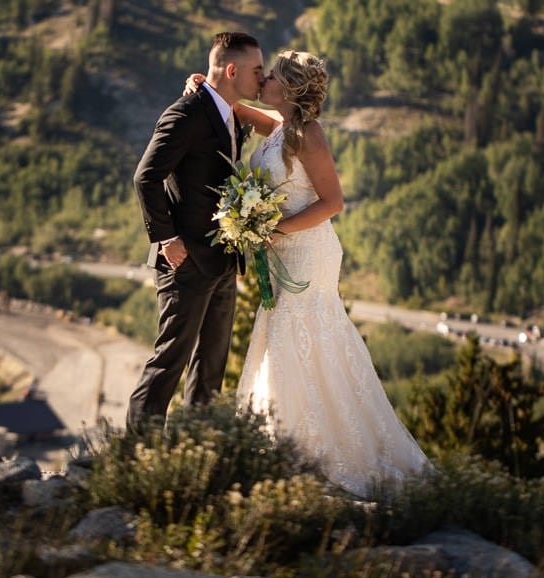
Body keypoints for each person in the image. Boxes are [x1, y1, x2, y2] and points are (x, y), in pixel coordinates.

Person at [187, 49, 430, 497]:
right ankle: (285, 441)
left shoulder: (308, 134)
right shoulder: (280, 128)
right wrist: (205, 85)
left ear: (291, 87)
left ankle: (310, 449)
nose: (264, 81)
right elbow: (236, 108)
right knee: (287, 338)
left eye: (273, 76)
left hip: (306, 253)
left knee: (299, 335)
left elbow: (332, 202)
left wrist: (274, 228)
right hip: (282, 253)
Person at [128, 30, 265, 431]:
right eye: (257, 70)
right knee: (170, 360)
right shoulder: (186, 113)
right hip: (185, 260)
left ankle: (198, 448)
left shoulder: (230, 114)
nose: (262, 78)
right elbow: (145, 178)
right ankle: (137, 453)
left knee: (210, 368)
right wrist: (167, 240)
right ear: (232, 69)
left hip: (222, 262)